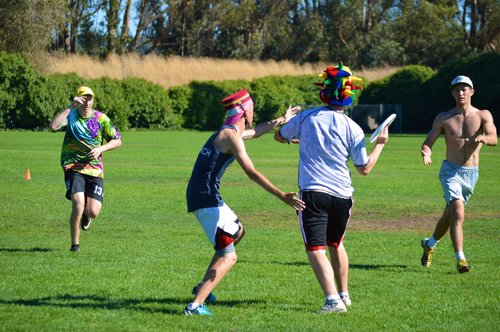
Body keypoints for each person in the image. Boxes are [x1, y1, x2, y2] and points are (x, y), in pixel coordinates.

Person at [274, 64, 389, 314]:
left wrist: (287, 123)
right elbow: (364, 168)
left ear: (324, 92)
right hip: (343, 196)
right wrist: (380, 144)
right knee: (336, 243)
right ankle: (345, 294)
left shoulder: (306, 117)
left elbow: (279, 136)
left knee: (315, 249)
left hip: (313, 193)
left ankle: (333, 300)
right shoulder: (354, 127)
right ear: (349, 95)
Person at [184, 89, 305, 316]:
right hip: (205, 197)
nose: (253, 110)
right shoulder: (229, 136)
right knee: (228, 255)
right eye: (251, 107)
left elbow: (256, 132)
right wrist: (282, 196)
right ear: (244, 110)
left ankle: (204, 286)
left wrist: (282, 120)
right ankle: (194, 306)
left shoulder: (229, 132)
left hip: (204, 194)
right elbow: (251, 172)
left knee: (237, 232)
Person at [420, 75, 497, 273]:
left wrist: (484, 138)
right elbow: (428, 142)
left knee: (450, 216)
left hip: (472, 173)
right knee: (458, 212)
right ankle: (460, 259)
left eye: (465, 89)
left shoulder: (483, 115)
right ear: (452, 93)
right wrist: (426, 152)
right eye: (457, 89)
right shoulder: (444, 117)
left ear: (472, 91)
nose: (461, 92)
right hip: (450, 171)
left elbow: (493, 137)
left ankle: (429, 244)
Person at [49, 86, 122, 253]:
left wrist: (101, 149)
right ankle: (75, 245)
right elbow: (53, 127)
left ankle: (86, 216)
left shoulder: (101, 119)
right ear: (78, 99)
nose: (87, 102)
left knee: (93, 211)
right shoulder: (71, 116)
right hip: (73, 167)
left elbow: (117, 140)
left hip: (95, 170)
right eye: (84, 98)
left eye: (90, 98)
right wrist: (69, 107)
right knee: (78, 203)